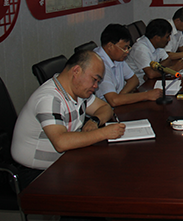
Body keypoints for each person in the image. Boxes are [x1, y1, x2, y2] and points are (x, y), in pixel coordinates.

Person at [11, 50, 125, 188]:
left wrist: (94, 121)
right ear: (76, 71)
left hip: (65, 161)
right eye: (94, 79)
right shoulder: (49, 99)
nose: (96, 86)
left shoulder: (78, 92)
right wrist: (104, 133)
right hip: (37, 175)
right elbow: (61, 142)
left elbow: (105, 108)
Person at [94, 24, 162, 106]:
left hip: (120, 103)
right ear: (110, 46)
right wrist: (147, 95)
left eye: (128, 48)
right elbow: (113, 101)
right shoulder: (98, 63)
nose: (127, 51)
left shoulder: (117, 57)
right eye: (124, 48)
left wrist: (122, 96)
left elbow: (134, 80)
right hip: (106, 109)